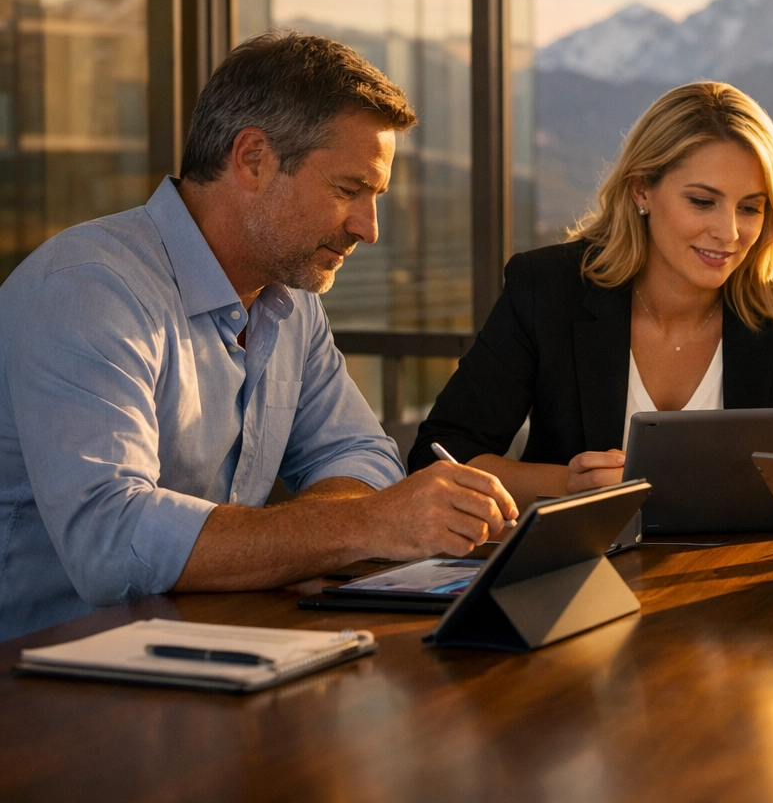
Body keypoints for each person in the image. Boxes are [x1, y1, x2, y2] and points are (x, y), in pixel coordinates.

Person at [0, 32, 516, 641]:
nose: (368, 228)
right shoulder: (89, 288)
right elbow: (113, 542)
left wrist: (306, 536)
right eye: (349, 190)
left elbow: (359, 456)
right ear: (252, 159)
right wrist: (359, 526)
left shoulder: (291, 301)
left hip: (209, 648)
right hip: (45, 690)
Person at [410, 81, 773, 499]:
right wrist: (567, 484)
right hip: (584, 578)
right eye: (702, 201)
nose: (729, 233)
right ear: (641, 189)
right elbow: (440, 455)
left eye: (750, 207)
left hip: (746, 584)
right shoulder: (548, 288)